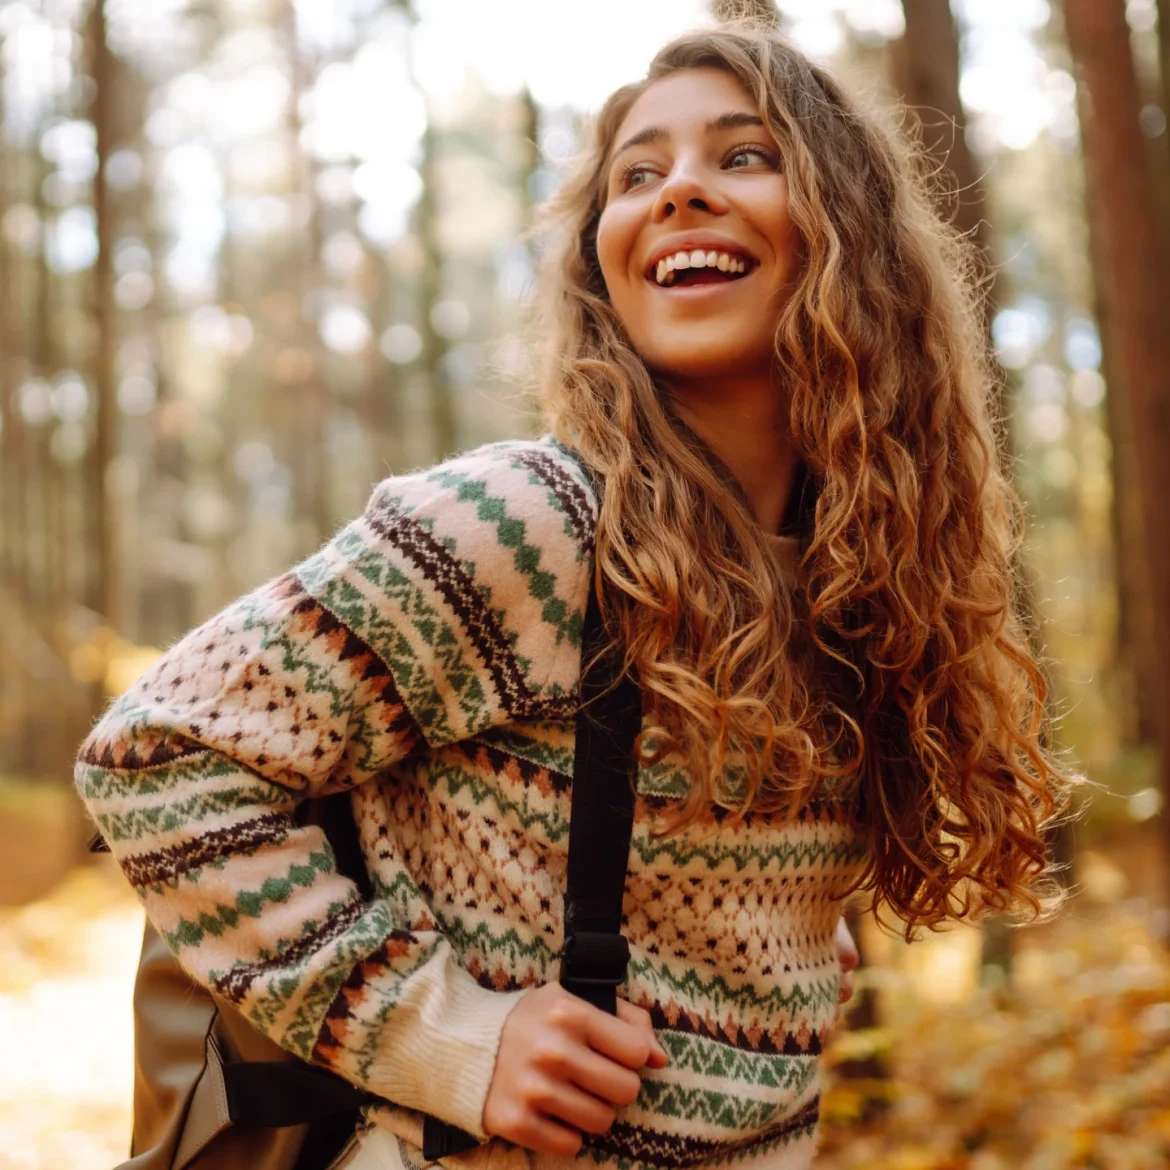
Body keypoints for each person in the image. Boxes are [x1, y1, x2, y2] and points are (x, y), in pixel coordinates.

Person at [74, 21, 1071, 1170]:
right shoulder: (528, 524)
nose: (679, 190)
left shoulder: (867, 573)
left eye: (742, 155)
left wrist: (771, 947)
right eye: (637, 175)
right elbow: (154, 758)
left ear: (852, 233)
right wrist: (445, 1033)